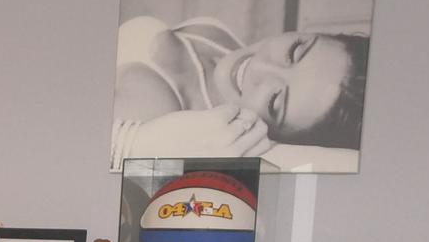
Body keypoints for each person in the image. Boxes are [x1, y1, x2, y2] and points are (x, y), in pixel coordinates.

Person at [112, 14, 369, 165]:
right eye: (295, 50)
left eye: (275, 100)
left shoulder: (158, 110)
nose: (260, 67)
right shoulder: (221, 38)